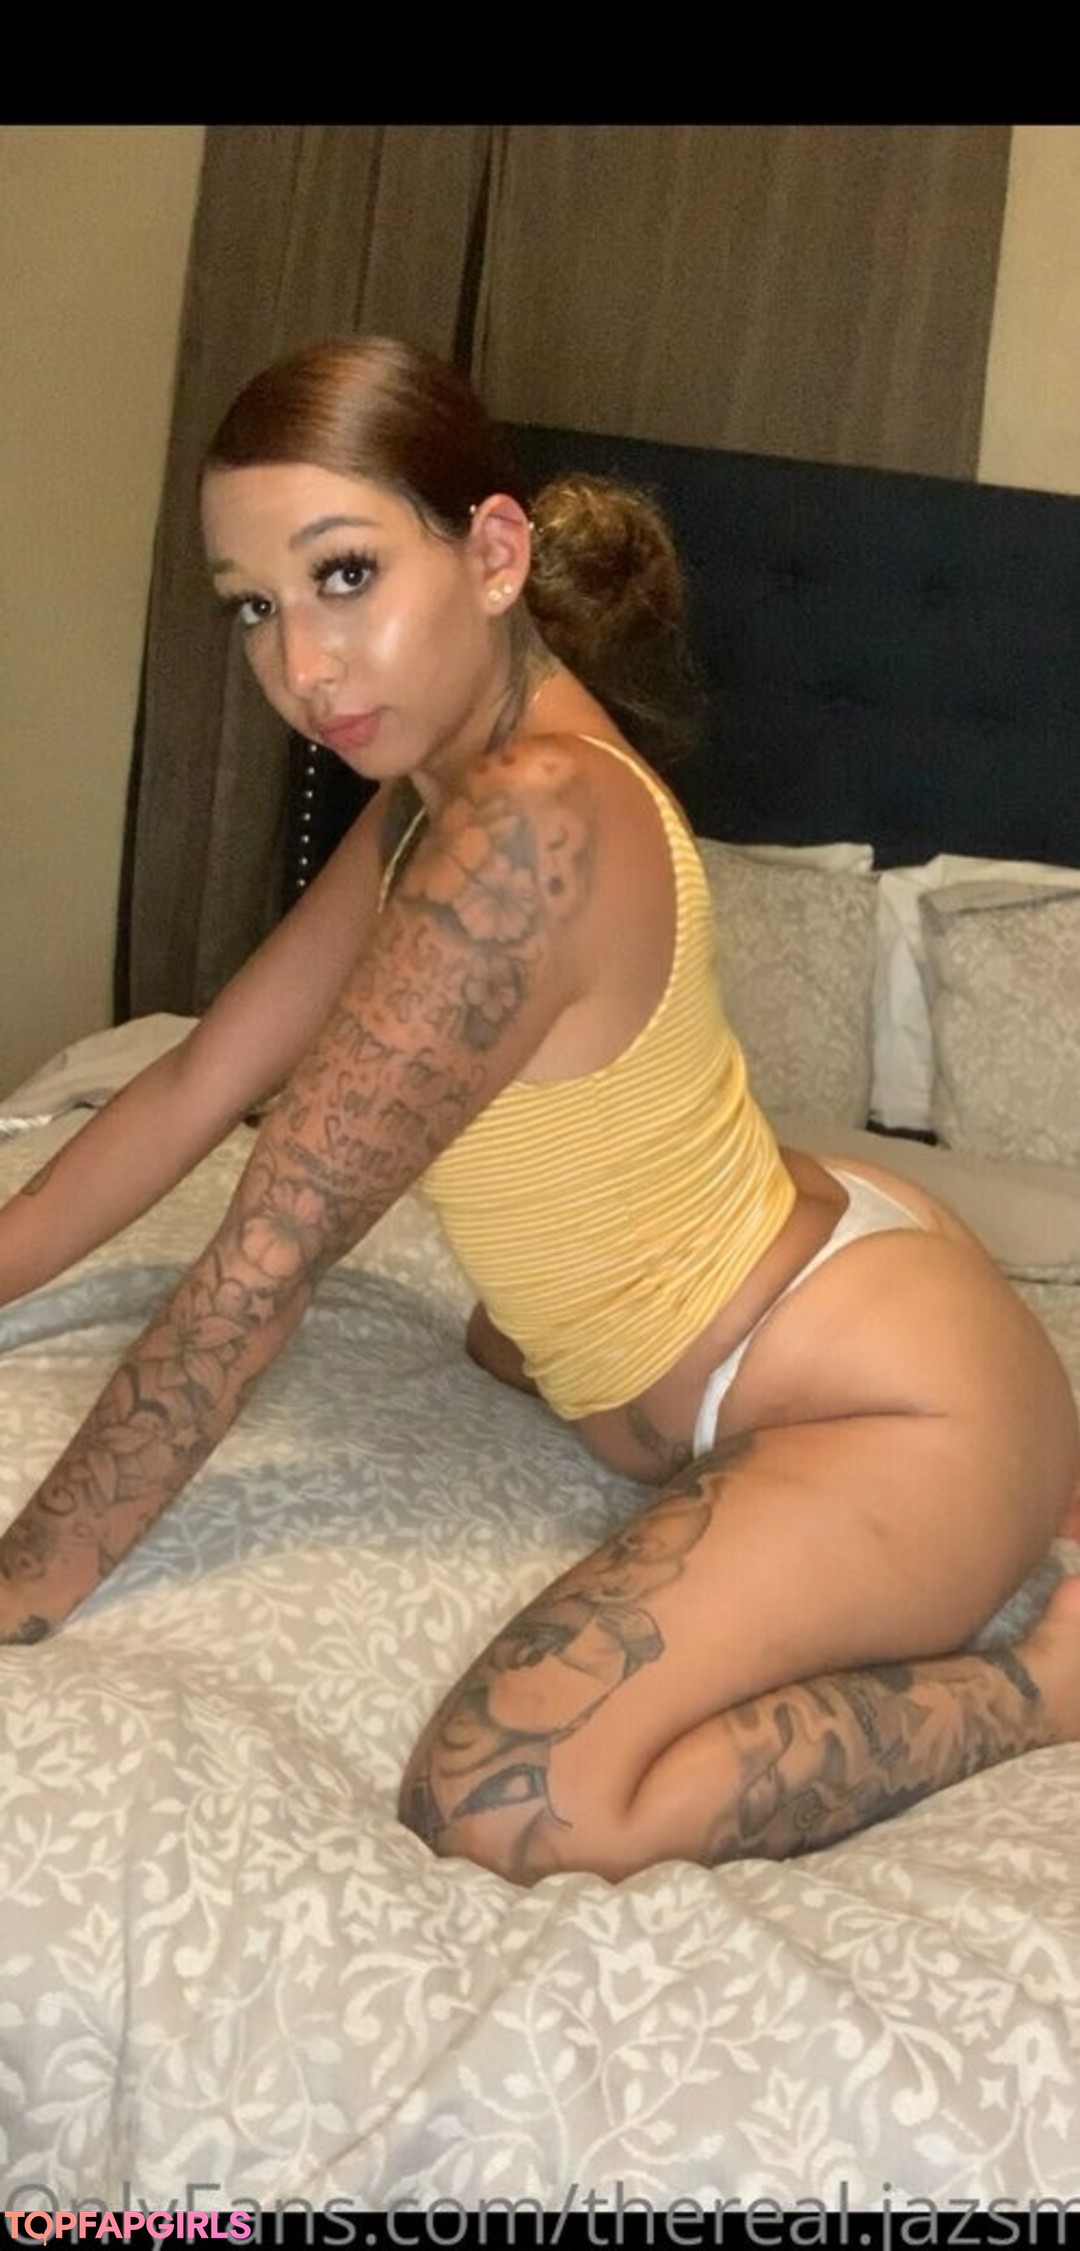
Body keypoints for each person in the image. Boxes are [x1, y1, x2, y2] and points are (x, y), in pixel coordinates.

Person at [1, 333, 1078, 1888]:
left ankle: (1041, 1690)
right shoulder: (435, 794)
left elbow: (261, 1262)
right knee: (500, 1334)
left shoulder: (532, 827)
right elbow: (193, 1081)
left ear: (494, 554)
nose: (303, 668)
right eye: (256, 605)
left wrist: (23, 1586)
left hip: (890, 1402)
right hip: (801, 1276)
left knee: (504, 1803)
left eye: (346, 575)